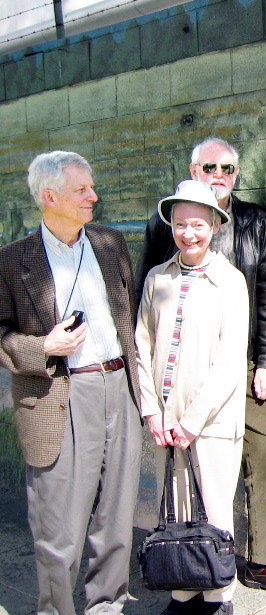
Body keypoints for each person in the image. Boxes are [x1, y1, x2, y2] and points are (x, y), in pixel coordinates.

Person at [134, 137, 266, 596]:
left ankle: (263, 562)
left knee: (265, 448)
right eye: (209, 166)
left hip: (239, 359)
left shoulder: (255, 223)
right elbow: (147, 296)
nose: (219, 174)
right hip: (183, 361)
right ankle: (187, 566)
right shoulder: (163, 225)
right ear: (193, 169)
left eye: (228, 168)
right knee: (184, 469)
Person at [0, 151, 142, 615]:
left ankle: (108, 605)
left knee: (116, 520)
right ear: (49, 197)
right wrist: (44, 348)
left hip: (117, 387)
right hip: (57, 394)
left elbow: (128, 311)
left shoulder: (109, 243)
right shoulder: (12, 260)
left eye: (91, 187)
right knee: (58, 529)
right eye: (81, 190)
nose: (93, 196)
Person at [135, 180, 250, 615]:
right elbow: (140, 345)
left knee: (214, 509)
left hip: (212, 422)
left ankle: (219, 598)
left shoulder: (231, 282)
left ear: (215, 226)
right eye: (181, 224)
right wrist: (152, 410)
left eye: (199, 224)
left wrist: (192, 420)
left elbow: (229, 359)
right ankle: (183, 595)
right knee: (177, 506)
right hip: (165, 422)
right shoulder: (156, 278)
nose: (189, 233)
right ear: (172, 226)